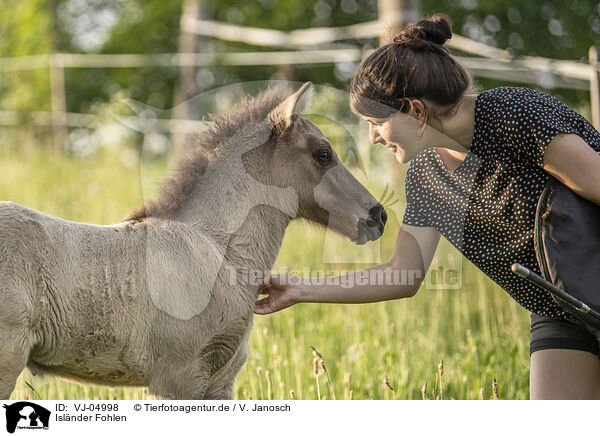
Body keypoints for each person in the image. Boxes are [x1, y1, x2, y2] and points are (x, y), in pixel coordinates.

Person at [253, 13, 600, 400]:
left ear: (416, 112)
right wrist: (300, 289)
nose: (372, 138)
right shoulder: (427, 177)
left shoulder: (511, 114)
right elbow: (403, 273)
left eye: (375, 123)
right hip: (561, 310)